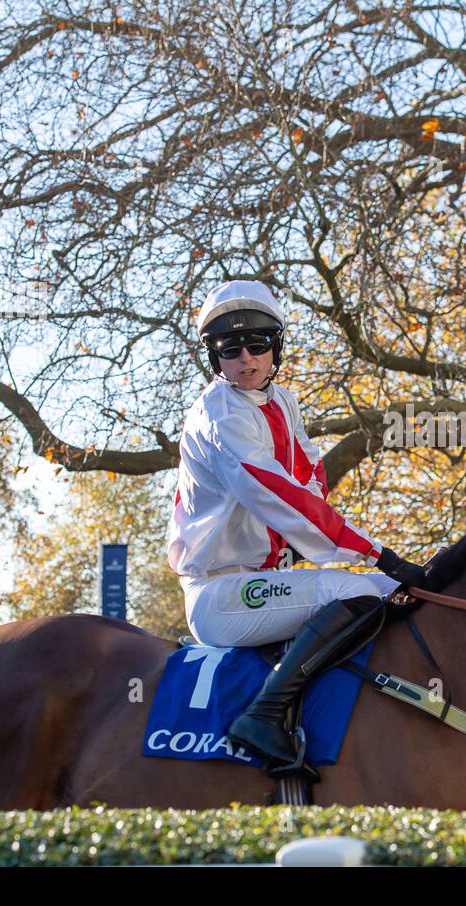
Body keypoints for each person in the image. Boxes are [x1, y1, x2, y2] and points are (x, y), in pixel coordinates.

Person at [167, 279, 427, 769]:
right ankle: (262, 716)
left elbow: (308, 477)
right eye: (230, 351)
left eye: (259, 345)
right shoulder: (221, 416)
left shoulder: (283, 401)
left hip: (264, 580)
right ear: (213, 358)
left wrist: (339, 549)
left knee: (391, 590)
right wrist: (375, 552)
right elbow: (275, 493)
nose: (246, 359)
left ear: (277, 347)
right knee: (363, 592)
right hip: (219, 594)